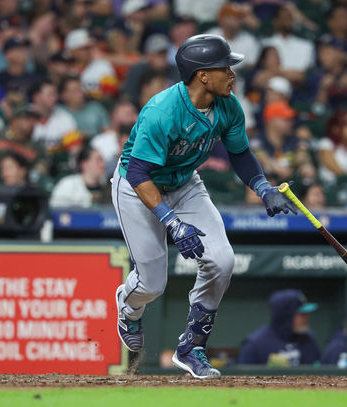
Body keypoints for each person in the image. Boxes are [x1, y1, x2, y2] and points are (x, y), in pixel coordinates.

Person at [111, 34, 298, 379]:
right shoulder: (162, 110)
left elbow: (239, 153)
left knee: (222, 259)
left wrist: (262, 187)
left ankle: (192, 346)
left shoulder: (228, 105)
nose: (233, 74)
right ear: (202, 75)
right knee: (152, 284)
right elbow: (139, 173)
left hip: (184, 182)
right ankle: (128, 306)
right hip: (138, 187)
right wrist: (172, 222)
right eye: (225, 68)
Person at [238, 289, 321, 366]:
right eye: (301, 314)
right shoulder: (254, 345)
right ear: (286, 316)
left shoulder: (309, 339)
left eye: (306, 314)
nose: (306, 318)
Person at [251, 100, 312, 181]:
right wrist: (274, 166)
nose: (291, 123)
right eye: (286, 119)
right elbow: (260, 156)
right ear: (271, 120)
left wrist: (306, 164)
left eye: (291, 119)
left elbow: (303, 155)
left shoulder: (295, 141)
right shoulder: (256, 140)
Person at [309, 36, 347, 109]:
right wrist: (323, 89)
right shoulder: (316, 77)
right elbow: (317, 109)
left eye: (326, 52)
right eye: (320, 52)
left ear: (340, 53)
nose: (322, 57)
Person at [261, 5, 315, 76]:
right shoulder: (265, 44)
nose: (288, 21)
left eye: (290, 18)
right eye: (284, 18)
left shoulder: (306, 45)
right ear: (275, 21)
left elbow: (308, 72)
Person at [206, 3, 260, 70]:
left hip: (239, 79)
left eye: (239, 17)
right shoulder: (210, 37)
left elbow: (251, 65)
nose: (238, 21)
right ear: (222, 19)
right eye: (233, 17)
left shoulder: (250, 40)